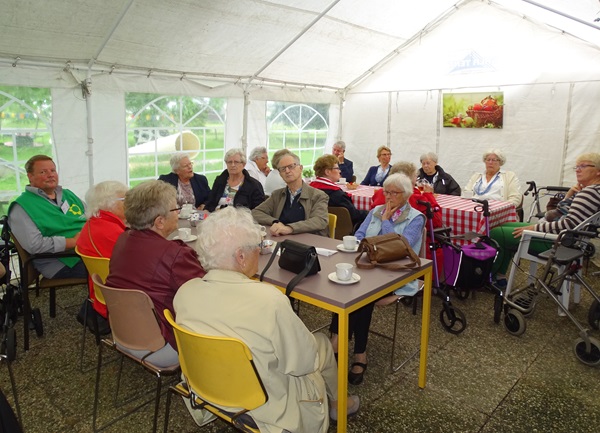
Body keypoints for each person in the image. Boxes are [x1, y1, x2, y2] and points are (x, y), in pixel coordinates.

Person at [174, 206, 360, 433]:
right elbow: (304, 363)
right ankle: (338, 404)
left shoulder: (185, 293)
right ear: (241, 257)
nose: (260, 253)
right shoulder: (270, 301)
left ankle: (336, 403)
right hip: (264, 408)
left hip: (207, 390)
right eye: (258, 247)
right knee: (320, 344)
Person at [330, 173, 425, 386]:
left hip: (395, 273)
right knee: (345, 287)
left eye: (394, 193)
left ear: (406, 195)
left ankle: (338, 343)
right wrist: (353, 244)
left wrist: (386, 222)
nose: (389, 196)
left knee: (360, 296)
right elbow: (360, 234)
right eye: (386, 192)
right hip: (369, 267)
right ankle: (354, 351)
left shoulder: (416, 218)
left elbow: (403, 247)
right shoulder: (375, 211)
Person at [106, 180, 206, 367]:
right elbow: (204, 297)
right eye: (175, 210)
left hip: (121, 333)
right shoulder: (173, 254)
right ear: (160, 221)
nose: (178, 214)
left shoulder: (122, 239)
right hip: (160, 345)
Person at [490, 152, 600, 287]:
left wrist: (532, 228)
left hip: (557, 242)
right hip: (568, 239)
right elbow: (562, 213)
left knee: (496, 232)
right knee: (506, 224)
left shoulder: (588, 193)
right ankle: (499, 276)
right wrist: (571, 193)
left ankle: (491, 276)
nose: (578, 170)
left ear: (598, 171)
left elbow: (567, 224)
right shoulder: (593, 190)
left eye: (583, 166)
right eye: (576, 167)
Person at [8, 155, 87, 279]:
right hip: (59, 261)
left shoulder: (68, 195)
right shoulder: (21, 207)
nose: (50, 175)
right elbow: (34, 245)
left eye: (53, 170)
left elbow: (93, 218)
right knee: (113, 268)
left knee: (122, 258)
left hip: (86, 251)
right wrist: (72, 242)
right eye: (43, 172)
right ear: (30, 176)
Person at [75, 181, 128, 328]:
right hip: (120, 297)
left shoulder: (95, 223)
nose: (129, 203)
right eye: (124, 200)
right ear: (109, 204)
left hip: (99, 293)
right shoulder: (113, 233)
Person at [371, 161, 442, 264]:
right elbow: (436, 223)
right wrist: (430, 196)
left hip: (376, 245)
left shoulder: (379, 194)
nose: (416, 180)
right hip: (402, 252)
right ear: (407, 179)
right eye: (415, 177)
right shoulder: (416, 198)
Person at [252, 152, 329, 237]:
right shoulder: (277, 195)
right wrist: (275, 222)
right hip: (282, 241)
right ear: (280, 174)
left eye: (291, 166)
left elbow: (320, 220)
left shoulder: (318, 196)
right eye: (283, 169)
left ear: (300, 168)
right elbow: (256, 212)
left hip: (309, 243)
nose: (287, 171)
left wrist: (290, 228)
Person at [309, 154, 367, 226]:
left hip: (314, 227)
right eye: (337, 168)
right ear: (327, 172)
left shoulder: (309, 190)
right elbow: (354, 215)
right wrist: (368, 213)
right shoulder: (336, 194)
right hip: (342, 229)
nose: (340, 171)